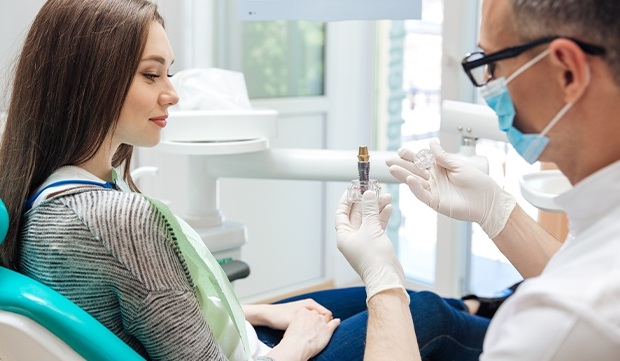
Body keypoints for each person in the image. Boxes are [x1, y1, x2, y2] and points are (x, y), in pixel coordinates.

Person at [0, 1, 494, 360]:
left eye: (169, 73)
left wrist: (257, 312)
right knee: (426, 313)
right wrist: (296, 344)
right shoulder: (114, 218)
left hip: (229, 338)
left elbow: (155, 312)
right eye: (152, 76)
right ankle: (526, 326)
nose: (172, 94)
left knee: (364, 295)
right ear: (90, 80)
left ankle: (486, 305)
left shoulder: (45, 191)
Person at [338, 0, 620, 359]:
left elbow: (581, 293)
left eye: (491, 64)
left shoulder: (562, 323)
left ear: (567, 72)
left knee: (429, 312)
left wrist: (383, 282)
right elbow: (579, 268)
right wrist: (496, 211)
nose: (488, 86)